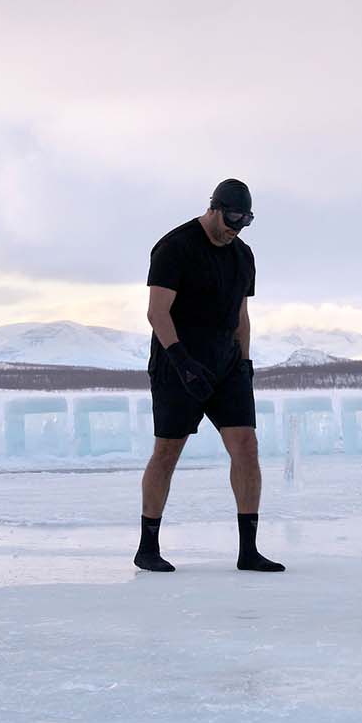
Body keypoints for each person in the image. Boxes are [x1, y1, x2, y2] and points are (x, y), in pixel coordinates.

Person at [135, 179, 283, 573]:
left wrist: (245, 365)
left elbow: (241, 315)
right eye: (233, 218)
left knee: (246, 446)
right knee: (168, 451)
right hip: (177, 363)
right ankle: (147, 547)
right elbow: (157, 312)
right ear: (215, 208)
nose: (238, 227)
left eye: (246, 220)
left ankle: (248, 550)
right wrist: (182, 362)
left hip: (227, 365)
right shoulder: (175, 247)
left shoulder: (243, 256)